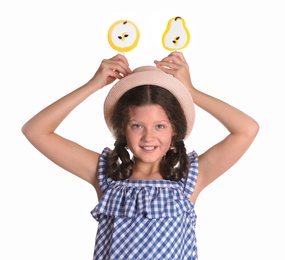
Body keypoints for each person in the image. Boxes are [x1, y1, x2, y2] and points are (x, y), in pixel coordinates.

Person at [22, 51, 259, 259]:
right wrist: (92, 85)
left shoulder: (188, 178)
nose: (148, 137)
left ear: (174, 129)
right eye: (137, 126)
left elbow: (247, 130)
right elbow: (35, 131)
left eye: (160, 126)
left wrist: (190, 92)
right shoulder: (107, 174)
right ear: (123, 129)